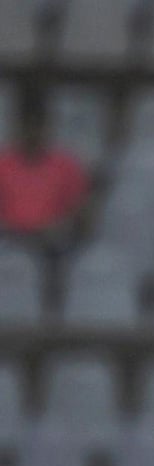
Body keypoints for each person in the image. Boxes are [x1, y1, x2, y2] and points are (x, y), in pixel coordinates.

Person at [0, 81, 92, 308]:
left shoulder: (66, 166)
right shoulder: (3, 164)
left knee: (62, 255)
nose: (33, 132)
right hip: (8, 239)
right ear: (18, 125)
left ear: (46, 126)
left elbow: (79, 212)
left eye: (38, 125)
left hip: (51, 244)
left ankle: (51, 320)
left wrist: (60, 227)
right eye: (27, 125)